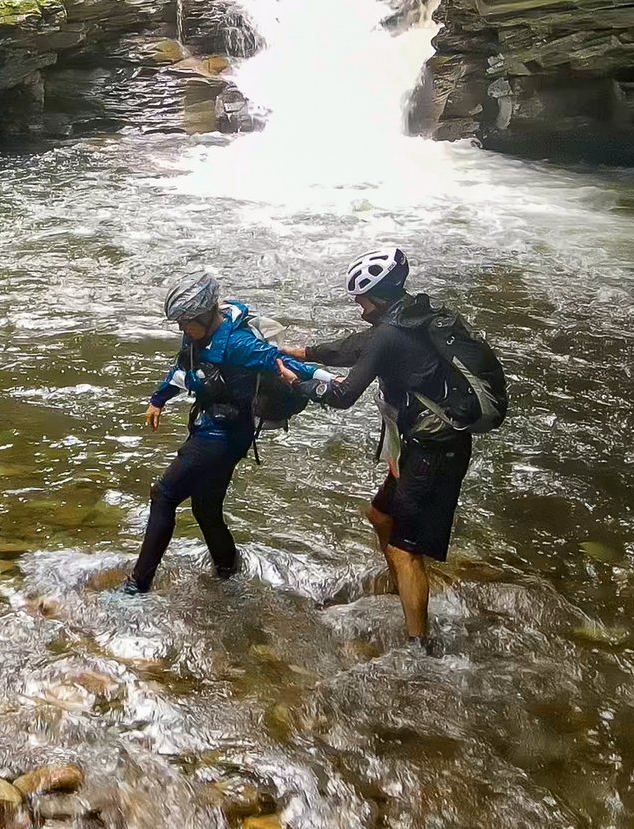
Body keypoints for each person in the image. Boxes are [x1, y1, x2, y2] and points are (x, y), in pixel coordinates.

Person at [293, 246, 478, 655]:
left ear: (376, 296)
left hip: (434, 451)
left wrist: (297, 383)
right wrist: (302, 353)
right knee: (380, 516)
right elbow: (355, 347)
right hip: (422, 443)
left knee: (404, 547)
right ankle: (403, 586)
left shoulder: (390, 333)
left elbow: (344, 395)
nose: (358, 306)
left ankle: (419, 647)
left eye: (361, 298)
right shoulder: (410, 316)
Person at [131, 269, 313, 593]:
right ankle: (229, 575)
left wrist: (331, 383)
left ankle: (137, 585)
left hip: (224, 436)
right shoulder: (196, 334)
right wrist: (158, 399)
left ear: (204, 315)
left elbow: (285, 363)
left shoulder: (239, 344)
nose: (182, 329)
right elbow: (183, 368)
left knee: (164, 494)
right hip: (212, 427)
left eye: (185, 322)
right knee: (206, 509)